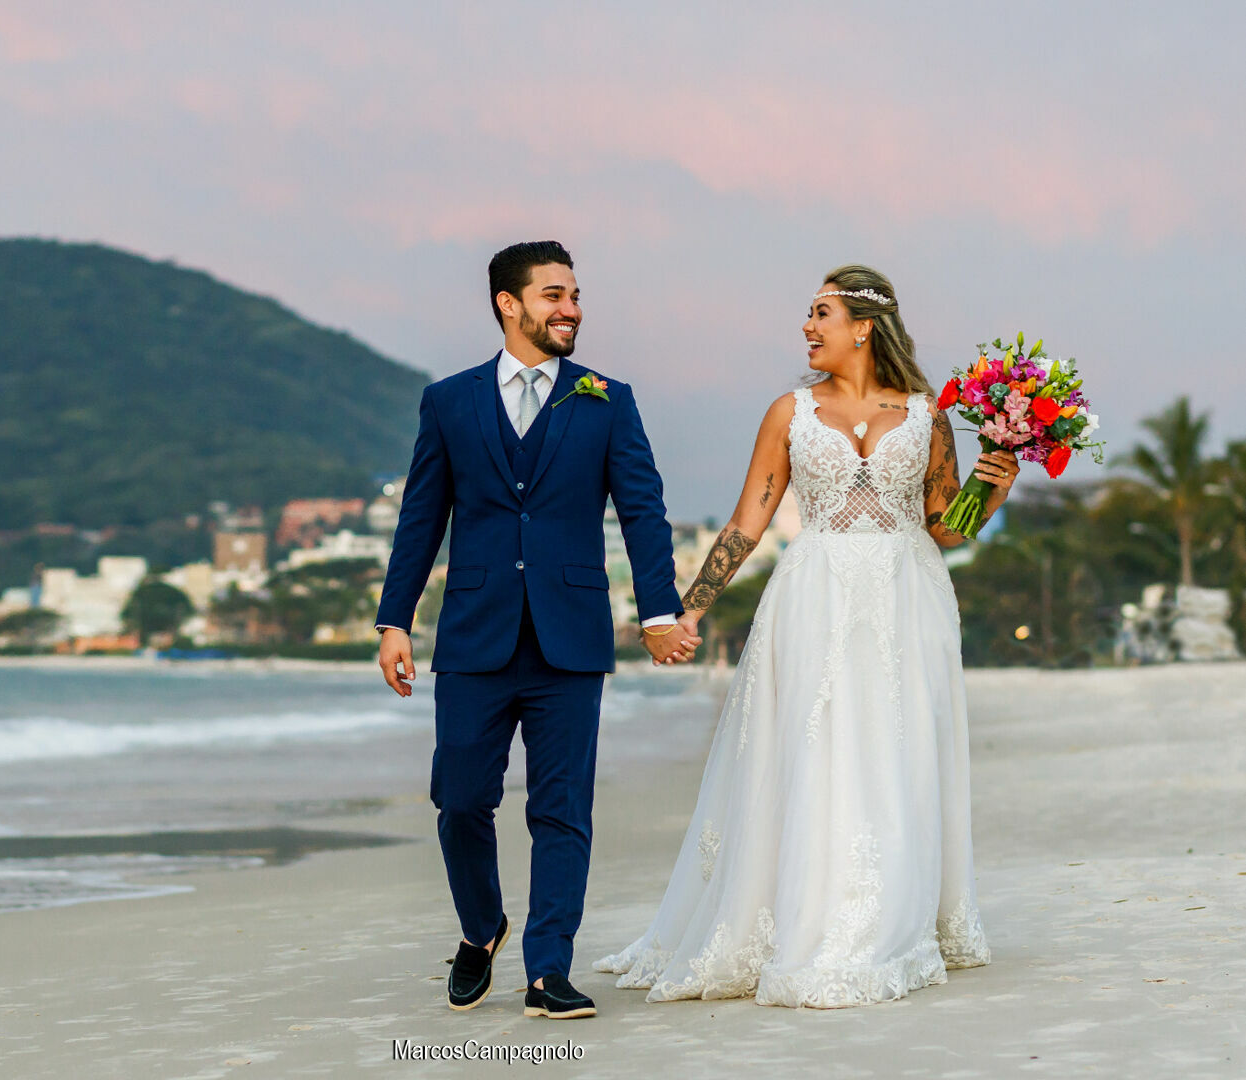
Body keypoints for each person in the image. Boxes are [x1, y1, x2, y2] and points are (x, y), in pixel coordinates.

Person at [594, 264, 1018, 1008]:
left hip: (907, 594)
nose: (805, 326)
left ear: (862, 326)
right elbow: (747, 522)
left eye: (819, 313)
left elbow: (946, 529)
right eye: (807, 313)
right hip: (811, 595)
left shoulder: (927, 414)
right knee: (813, 748)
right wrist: (686, 609)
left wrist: (993, 489)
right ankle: (806, 912)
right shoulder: (788, 412)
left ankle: (895, 913)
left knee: (898, 747)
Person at [375, 241, 699, 1020]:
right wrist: (395, 619)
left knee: (560, 809)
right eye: (554, 294)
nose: (571, 309)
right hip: (474, 635)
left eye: (576, 295)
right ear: (507, 304)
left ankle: (548, 968)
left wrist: (657, 612)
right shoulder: (449, 402)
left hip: (570, 636)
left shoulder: (606, 399)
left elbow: (643, 510)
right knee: (459, 798)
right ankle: (481, 928)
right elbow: (423, 517)